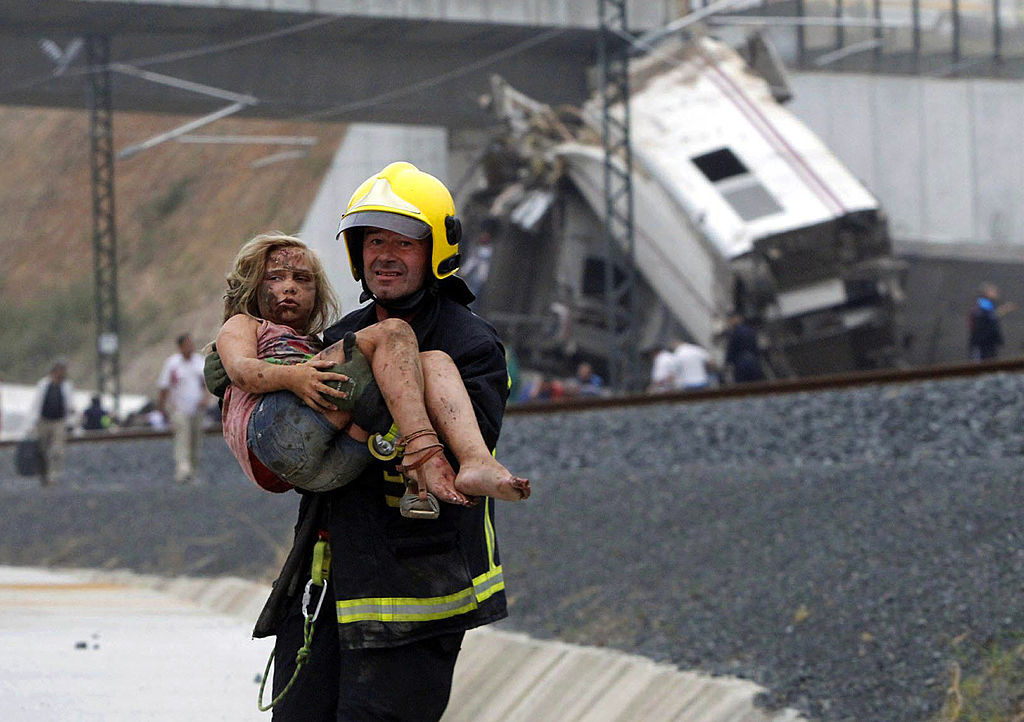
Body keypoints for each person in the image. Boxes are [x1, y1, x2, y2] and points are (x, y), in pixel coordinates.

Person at [232, 163, 518, 721]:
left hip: (418, 597)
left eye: (403, 242)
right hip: (324, 587)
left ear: (437, 248)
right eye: (374, 241)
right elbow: (302, 448)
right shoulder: (341, 336)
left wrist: (358, 423)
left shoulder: (471, 344)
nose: (385, 255)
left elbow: (469, 447)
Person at [214, 232, 528, 510]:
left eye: (301, 278)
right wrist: (293, 376)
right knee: (392, 332)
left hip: (334, 464)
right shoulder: (245, 324)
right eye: (275, 277)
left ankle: (476, 462)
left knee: (431, 361)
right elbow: (242, 370)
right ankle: (423, 451)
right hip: (271, 434)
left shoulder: (322, 341)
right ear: (253, 285)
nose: (290, 287)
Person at [157, 333, 209, 484]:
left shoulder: (199, 362)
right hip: (179, 409)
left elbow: (207, 384)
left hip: (197, 409)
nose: (190, 347)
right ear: (180, 347)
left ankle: (192, 471)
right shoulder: (172, 364)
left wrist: (206, 399)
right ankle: (183, 470)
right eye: (187, 344)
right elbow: (164, 387)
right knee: (182, 439)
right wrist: (161, 408)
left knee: (196, 441)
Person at [26, 358, 74, 486]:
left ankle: (54, 475)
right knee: (42, 449)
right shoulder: (43, 385)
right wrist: (31, 423)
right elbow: (36, 404)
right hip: (43, 421)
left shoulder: (66, 386)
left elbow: (70, 405)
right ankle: (43, 474)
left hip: (59, 421)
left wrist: (71, 421)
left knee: (57, 449)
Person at [968, 282, 1014, 361]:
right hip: (982, 342)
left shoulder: (987, 304)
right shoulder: (982, 303)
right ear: (987, 292)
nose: (996, 293)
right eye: (993, 291)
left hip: (989, 342)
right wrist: (1004, 309)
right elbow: (990, 316)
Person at [725, 314, 767, 383]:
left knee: (743, 387)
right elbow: (756, 348)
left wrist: (727, 363)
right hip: (754, 361)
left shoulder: (734, 333)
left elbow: (731, 350)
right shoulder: (751, 331)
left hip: (740, 363)